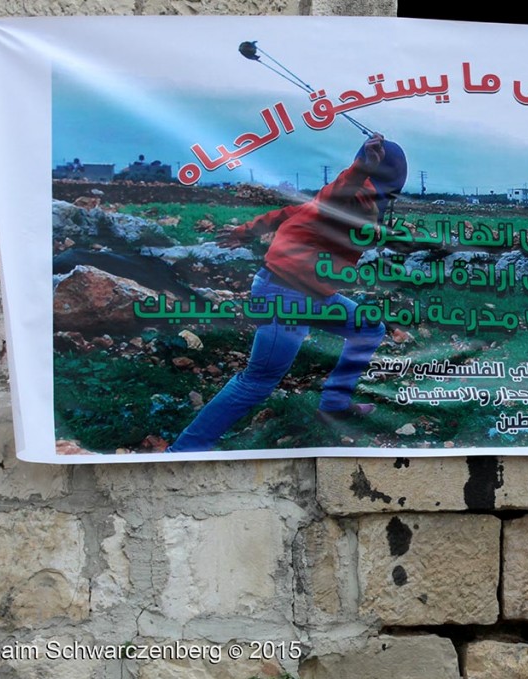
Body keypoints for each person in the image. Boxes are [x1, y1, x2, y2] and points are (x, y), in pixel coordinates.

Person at [169, 133, 406, 452]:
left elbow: (295, 213)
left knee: (369, 328)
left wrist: (246, 230)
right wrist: (360, 168)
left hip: (312, 294)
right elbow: (331, 197)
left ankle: (334, 404)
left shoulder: (371, 200)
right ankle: (184, 451)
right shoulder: (355, 192)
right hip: (286, 292)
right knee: (257, 381)